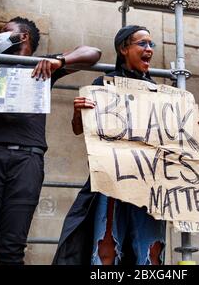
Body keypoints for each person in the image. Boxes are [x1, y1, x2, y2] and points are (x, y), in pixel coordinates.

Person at [0, 17, 101, 265]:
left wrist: (60, 61)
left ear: (23, 37)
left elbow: (93, 53)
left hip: (28, 159)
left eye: (5, 31)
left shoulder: (44, 66)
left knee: (12, 250)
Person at [53, 25, 166, 265]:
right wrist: (78, 111)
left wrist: (186, 126)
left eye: (151, 45)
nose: (149, 50)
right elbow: (79, 129)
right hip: (111, 179)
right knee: (106, 248)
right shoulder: (104, 83)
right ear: (124, 49)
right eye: (143, 44)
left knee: (151, 252)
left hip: (148, 182)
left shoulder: (161, 93)